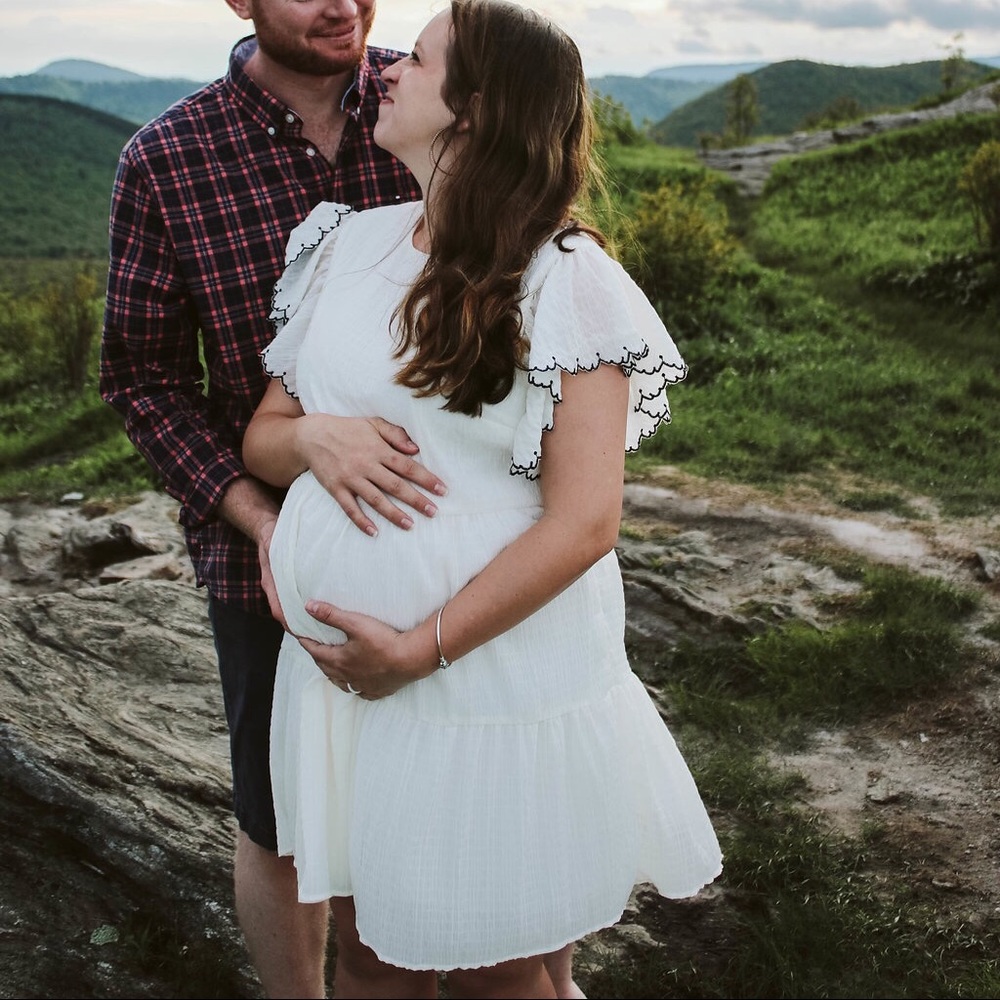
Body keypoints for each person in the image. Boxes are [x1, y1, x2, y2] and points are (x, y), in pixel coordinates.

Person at [242, 1, 723, 997]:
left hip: (484, 681)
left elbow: (585, 521)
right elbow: (265, 436)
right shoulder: (343, 243)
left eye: (417, 61)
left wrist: (417, 649)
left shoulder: (566, 281)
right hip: (344, 689)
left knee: (496, 971)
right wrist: (313, 441)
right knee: (370, 953)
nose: (386, 71)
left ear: (473, 111)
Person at [98, 2, 450, 995]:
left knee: (430, 799)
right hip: (264, 555)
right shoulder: (167, 157)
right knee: (281, 814)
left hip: (440, 533)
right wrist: (260, 522)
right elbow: (142, 378)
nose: (342, 2)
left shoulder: (433, 95)